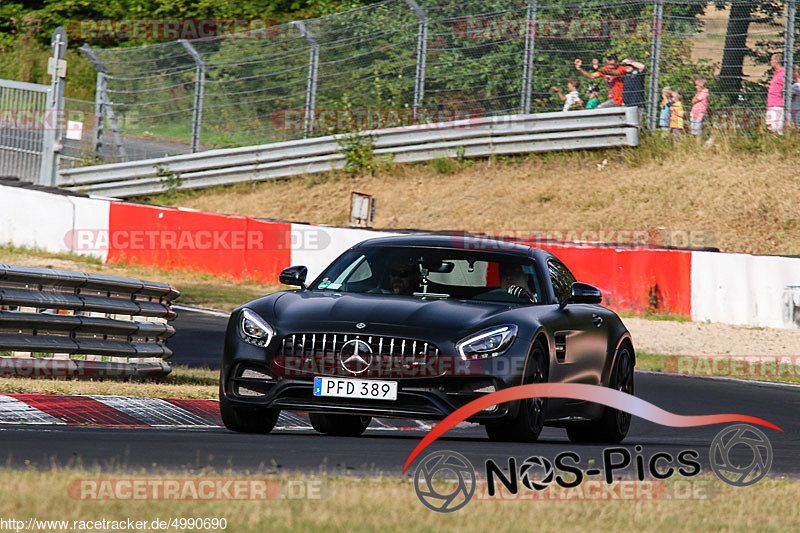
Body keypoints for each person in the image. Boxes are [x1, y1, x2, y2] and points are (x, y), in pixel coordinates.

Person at [766, 53, 785, 134]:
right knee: (770, 129)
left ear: (776, 61)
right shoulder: (777, 74)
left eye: (772, 60)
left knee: (776, 130)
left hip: (777, 106)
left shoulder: (783, 73)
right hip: (771, 105)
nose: (771, 62)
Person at [690, 77, 710, 144]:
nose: (696, 87)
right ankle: (693, 144)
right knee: (693, 130)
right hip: (694, 113)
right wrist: (697, 93)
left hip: (699, 114)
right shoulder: (699, 92)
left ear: (701, 85)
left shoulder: (705, 92)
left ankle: (697, 144)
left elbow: (696, 100)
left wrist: (697, 94)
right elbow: (693, 101)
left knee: (697, 130)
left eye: (697, 85)